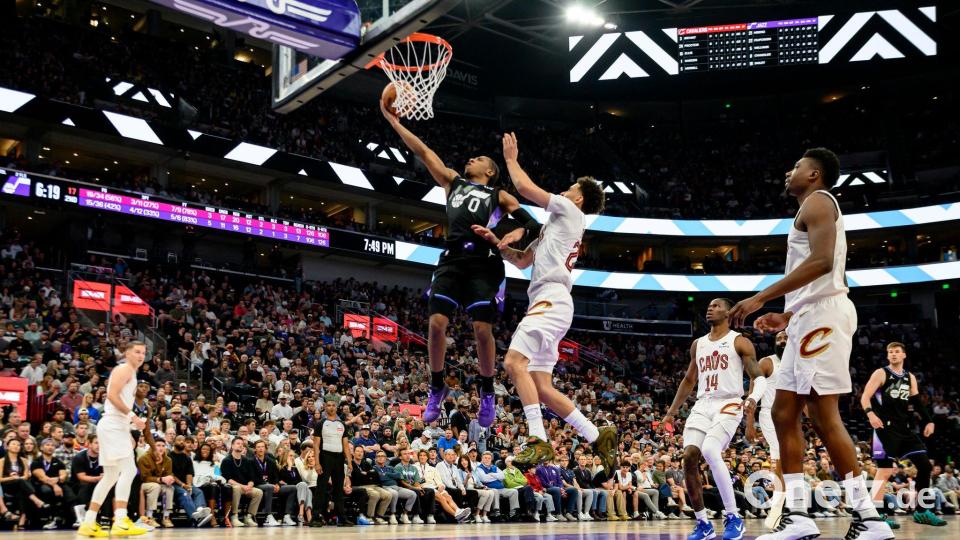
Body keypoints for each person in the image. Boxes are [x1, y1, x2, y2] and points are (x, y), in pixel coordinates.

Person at [729, 148, 895, 540]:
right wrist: (788, 315)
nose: (790, 171)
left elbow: (822, 262)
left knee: (823, 414)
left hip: (823, 316)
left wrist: (761, 297)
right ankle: (799, 514)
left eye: (797, 166)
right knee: (784, 413)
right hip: (810, 316)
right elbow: (820, 274)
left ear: (814, 174)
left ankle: (867, 516)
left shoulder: (818, 202)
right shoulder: (812, 206)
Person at [381, 102, 542, 429]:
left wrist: (512, 234)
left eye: (480, 158)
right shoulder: (453, 182)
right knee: (436, 323)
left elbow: (533, 225)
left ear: (490, 171)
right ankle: (437, 386)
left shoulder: (499, 195)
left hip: (484, 263)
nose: (471, 159)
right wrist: (394, 122)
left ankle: (486, 390)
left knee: (481, 329)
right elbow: (424, 152)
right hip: (453, 258)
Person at [471, 133, 617, 473]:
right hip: (553, 303)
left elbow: (524, 188)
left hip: (550, 300)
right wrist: (496, 243)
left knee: (512, 363)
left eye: (570, 188)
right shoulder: (554, 227)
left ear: (578, 198)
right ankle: (596, 434)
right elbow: (522, 261)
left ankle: (538, 439)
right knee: (541, 386)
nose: (564, 191)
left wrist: (510, 159)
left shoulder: (568, 210)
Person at [663, 298, 763, 540]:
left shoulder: (739, 341)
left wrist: (753, 399)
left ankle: (734, 517)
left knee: (710, 449)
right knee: (688, 458)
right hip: (702, 404)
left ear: (729, 313)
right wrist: (671, 412)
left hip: (729, 401)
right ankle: (703, 524)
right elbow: (689, 380)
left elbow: (758, 376)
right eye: (709, 305)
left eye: (717, 305)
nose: (711, 308)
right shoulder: (698, 344)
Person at [860, 342, 945, 527]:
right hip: (884, 428)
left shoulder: (909, 377)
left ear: (904, 355)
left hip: (904, 429)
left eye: (897, 352)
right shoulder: (881, 373)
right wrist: (870, 414)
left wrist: (929, 420)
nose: (893, 354)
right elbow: (865, 396)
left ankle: (922, 512)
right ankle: (876, 515)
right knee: (884, 471)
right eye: (890, 352)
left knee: (924, 466)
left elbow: (917, 401)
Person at [78, 341, 149, 537]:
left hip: (115, 426)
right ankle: (120, 520)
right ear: (127, 353)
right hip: (113, 425)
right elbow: (111, 395)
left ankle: (89, 522)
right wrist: (133, 417)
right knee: (128, 470)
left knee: (110, 476)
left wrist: (127, 429)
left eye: (143, 352)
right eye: (136, 352)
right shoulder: (124, 369)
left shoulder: (131, 373)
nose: (141, 355)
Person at [745, 330, 788, 530]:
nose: (782, 341)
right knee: (781, 459)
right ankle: (776, 512)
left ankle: (783, 510)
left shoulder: (799, 362)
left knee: (788, 461)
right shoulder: (767, 362)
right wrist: (750, 423)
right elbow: (754, 390)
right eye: (779, 338)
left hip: (792, 416)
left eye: (786, 338)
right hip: (770, 414)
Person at [311, 399, 354, 527]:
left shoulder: (342, 424)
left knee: (338, 489)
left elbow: (346, 445)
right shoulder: (321, 423)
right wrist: (317, 463)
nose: (331, 407)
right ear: (325, 407)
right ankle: (315, 517)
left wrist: (349, 461)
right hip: (325, 457)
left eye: (333, 405)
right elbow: (316, 445)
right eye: (328, 405)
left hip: (339, 458)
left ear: (336, 407)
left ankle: (341, 518)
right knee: (321, 488)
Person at [169, 436, 214, 527]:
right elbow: (171, 474)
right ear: (174, 442)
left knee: (198, 491)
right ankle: (195, 518)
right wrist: (183, 485)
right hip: (173, 484)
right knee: (184, 493)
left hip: (185, 484)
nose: (182, 442)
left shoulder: (187, 458)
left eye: (183, 441)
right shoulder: (169, 456)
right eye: (179, 440)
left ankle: (199, 510)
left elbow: (189, 473)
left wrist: (189, 485)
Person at [32, 437, 76, 529]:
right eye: (47, 445)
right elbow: (42, 478)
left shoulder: (58, 462)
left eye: (52, 445)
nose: (50, 447)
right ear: (41, 448)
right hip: (41, 485)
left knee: (70, 494)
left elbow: (63, 476)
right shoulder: (36, 462)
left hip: (59, 484)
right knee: (47, 490)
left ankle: (77, 518)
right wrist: (55, 484)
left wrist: (58, 480)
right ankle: (52, 519)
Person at [220, 437, 263, 528]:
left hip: (246, 488)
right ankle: (234, 516)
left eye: (242, 444)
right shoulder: (227, 460)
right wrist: (243, 486)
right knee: (237, 488)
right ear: (232, 445)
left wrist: (249, 486)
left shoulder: (246, 460)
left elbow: (252, 478)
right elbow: (228, 479)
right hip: (234, 487)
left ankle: (248, 517)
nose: (240, 445)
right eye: (238, 443)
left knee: (258, 492)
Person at [71, 435, 103, 527]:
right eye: (96, 443)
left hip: (97, 483)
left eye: (101, 443)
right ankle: (81, 517)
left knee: (109, 487)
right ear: (89, 444)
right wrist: (98, 478)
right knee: (86, 486)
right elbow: (81, 477)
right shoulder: (79, 457)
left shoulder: (103, 456)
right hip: (78, 484)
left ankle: (105, 517)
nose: (99, 446)